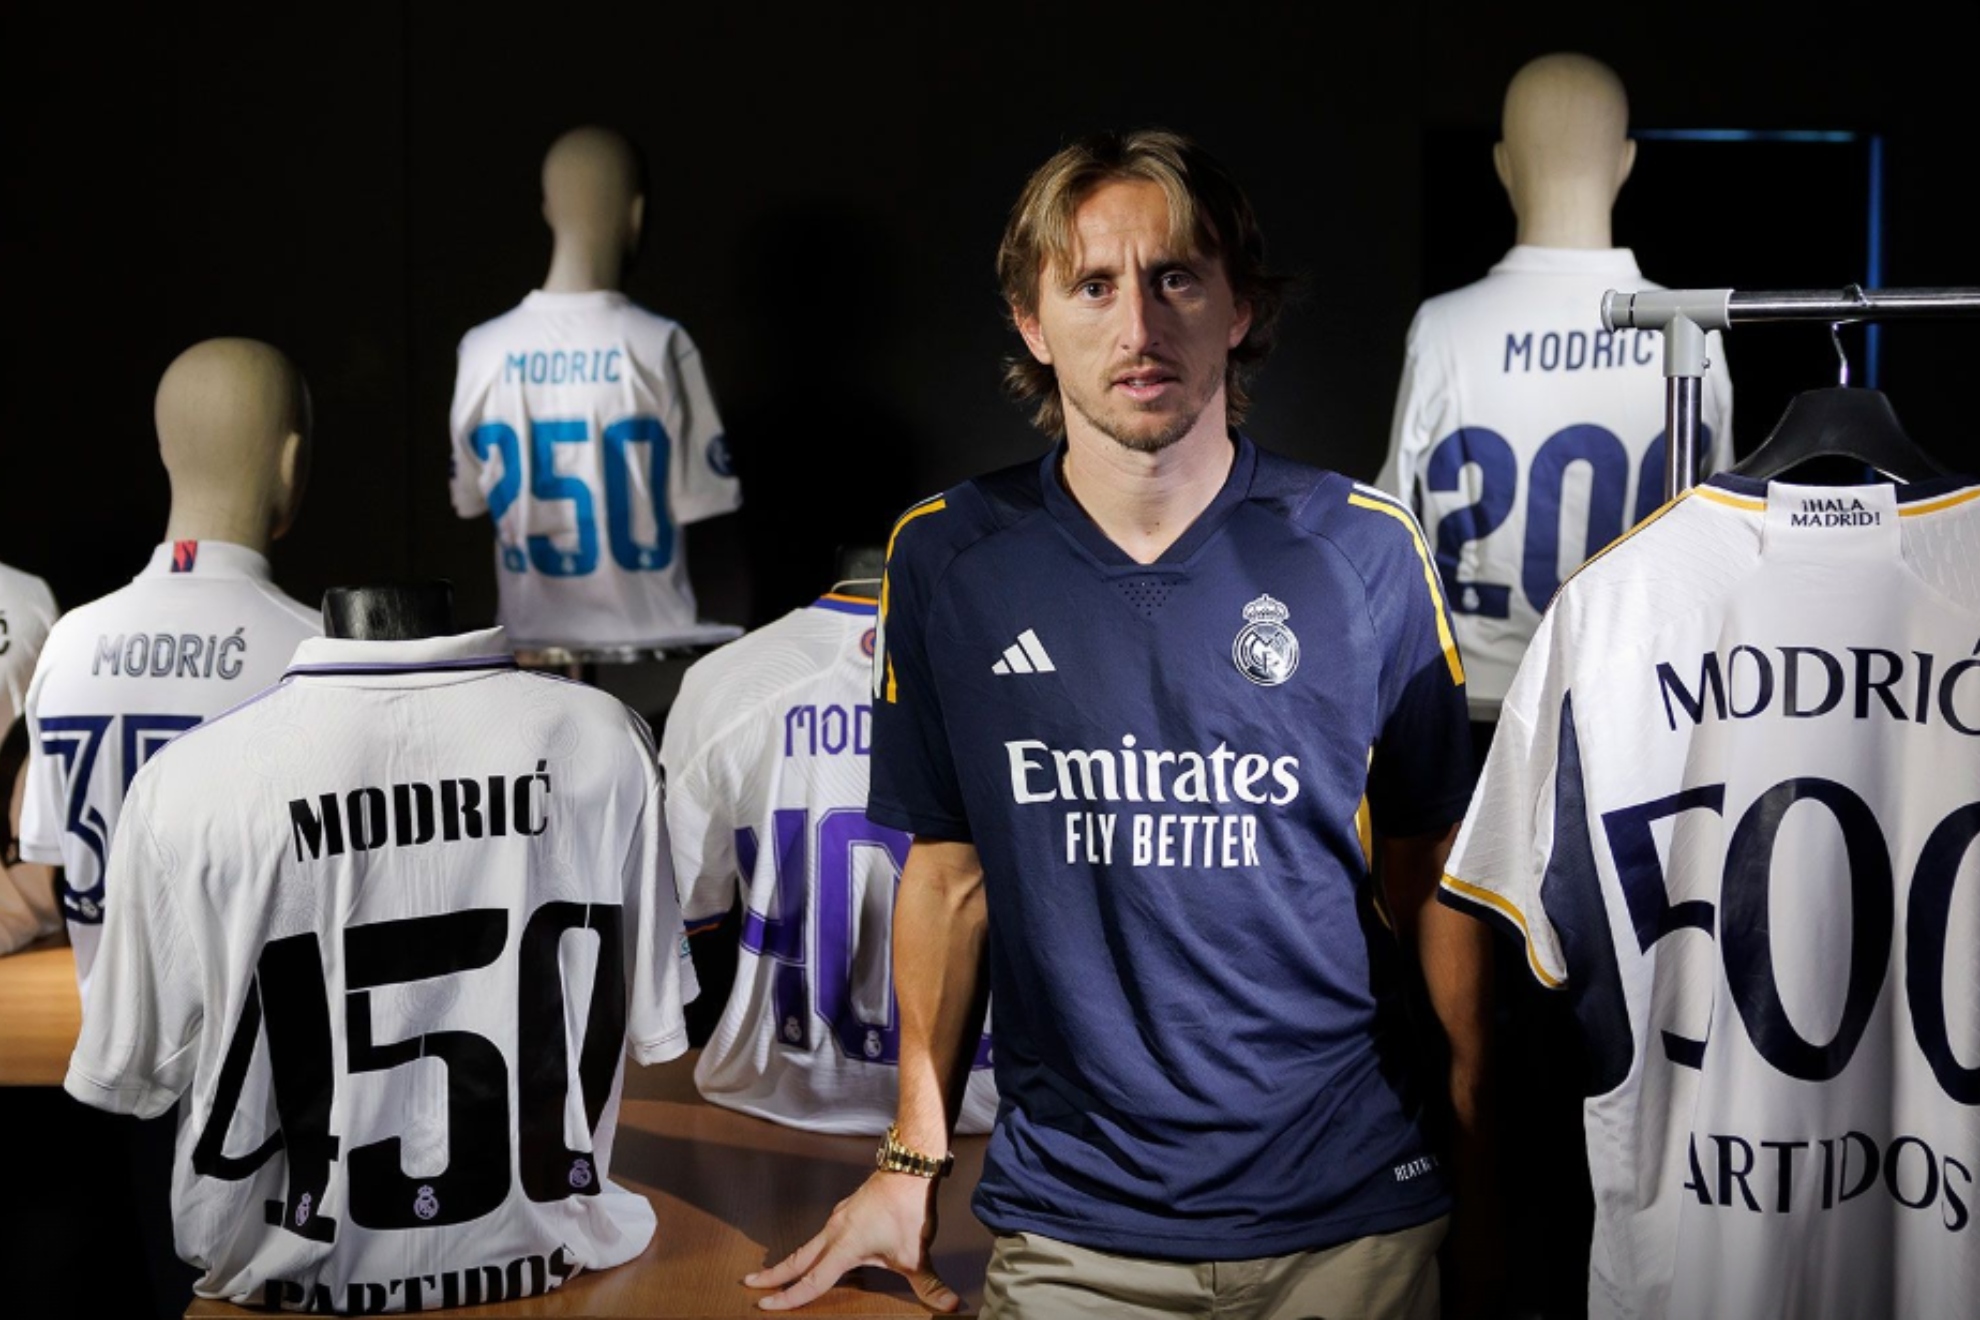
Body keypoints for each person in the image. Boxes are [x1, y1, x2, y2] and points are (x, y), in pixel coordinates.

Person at [747, 129, 1491, 1319]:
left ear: (1240, 307)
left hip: (1353, 1221)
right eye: (1093, 284)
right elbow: (947, 879)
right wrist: (910, 1157)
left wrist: (1477, 1153)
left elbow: (1432, 868)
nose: (1138, 326)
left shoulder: (1363, 548)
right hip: (1076, 1232)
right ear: (1033, 324)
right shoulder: (947, 555)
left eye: (1176, 277)